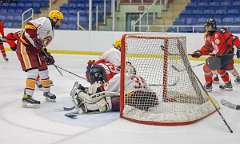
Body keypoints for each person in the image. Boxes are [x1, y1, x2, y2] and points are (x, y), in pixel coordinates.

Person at [16, 10, 64, 107]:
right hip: (25, 47)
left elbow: (40, 46)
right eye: (58, 20)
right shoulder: (44, 20)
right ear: (54, 18)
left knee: (44, 70)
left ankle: (46, 92)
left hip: (35, 50)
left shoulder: (52, 32)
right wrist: (34, 39)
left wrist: (47, 54)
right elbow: (29, 26)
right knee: (33, 71)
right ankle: (27, 96)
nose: (59, 22)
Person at [69, 62, 158, 113]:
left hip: (136, 98)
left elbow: (103, 90)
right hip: (152, 99)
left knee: (109, 99)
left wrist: (84, 91)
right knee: (122, 95)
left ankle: (89, 107)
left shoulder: (120, 76)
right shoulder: (139, 76)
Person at [191, 18, 240, 92]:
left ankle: (209, 84)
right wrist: (199, 52)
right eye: (206, 26)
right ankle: (228, 83)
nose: (207, 28)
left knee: (207, 67)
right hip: (223, 57)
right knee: (222, 68)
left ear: (213, 26)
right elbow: (207, 48)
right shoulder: (208, 37)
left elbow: (233, 39)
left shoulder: (220, 32)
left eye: (209, 26)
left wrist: (239, 47)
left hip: (225, 56)